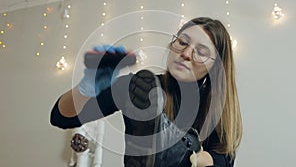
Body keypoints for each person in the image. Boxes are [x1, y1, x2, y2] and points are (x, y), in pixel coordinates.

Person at [50, 17, 242, 167]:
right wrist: (86, 88)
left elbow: (223, 160)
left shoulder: (217, 105)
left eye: (200, 52)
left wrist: (191, 156)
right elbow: (61, 117)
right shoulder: (139, 87)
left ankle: (178, 149)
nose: (186, 53)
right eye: (182, 42)